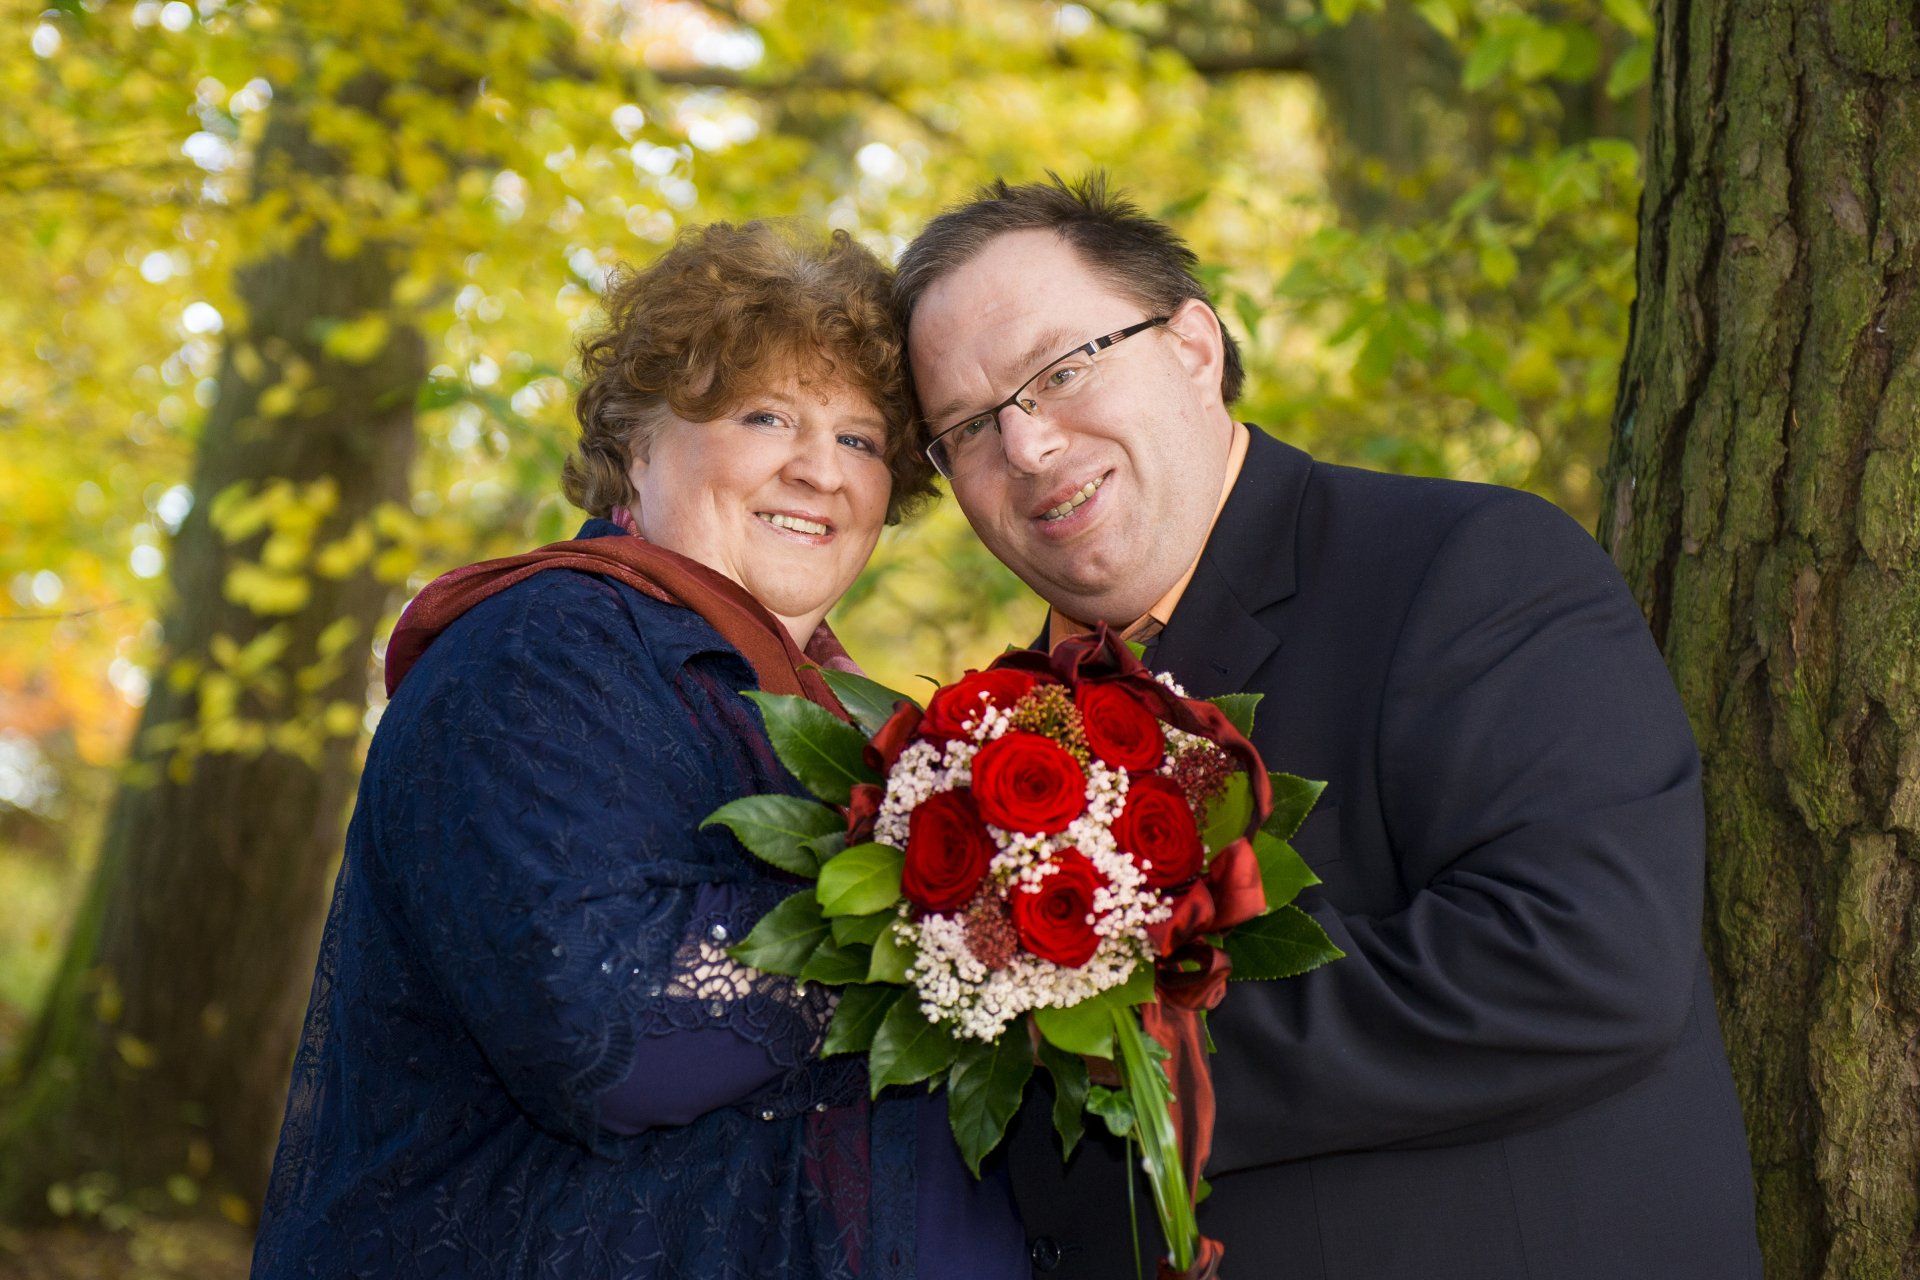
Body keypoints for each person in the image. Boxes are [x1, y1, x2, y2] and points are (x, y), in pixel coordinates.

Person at [893, 174, 1764, 1280]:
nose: (1024, 445)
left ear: (1195, 345)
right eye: (966, 427)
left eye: (1062, 369)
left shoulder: (1465, 565)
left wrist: (1101, 1048)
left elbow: (1582, 956)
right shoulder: (1009, 736)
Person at [251, 221, 1027, 1279]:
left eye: (858, 439)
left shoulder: (859, 718)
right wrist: (955, 909)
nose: (820, 470)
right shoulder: (544, 648)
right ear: (639, 441)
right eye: (766, 416)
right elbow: (605, 1025)